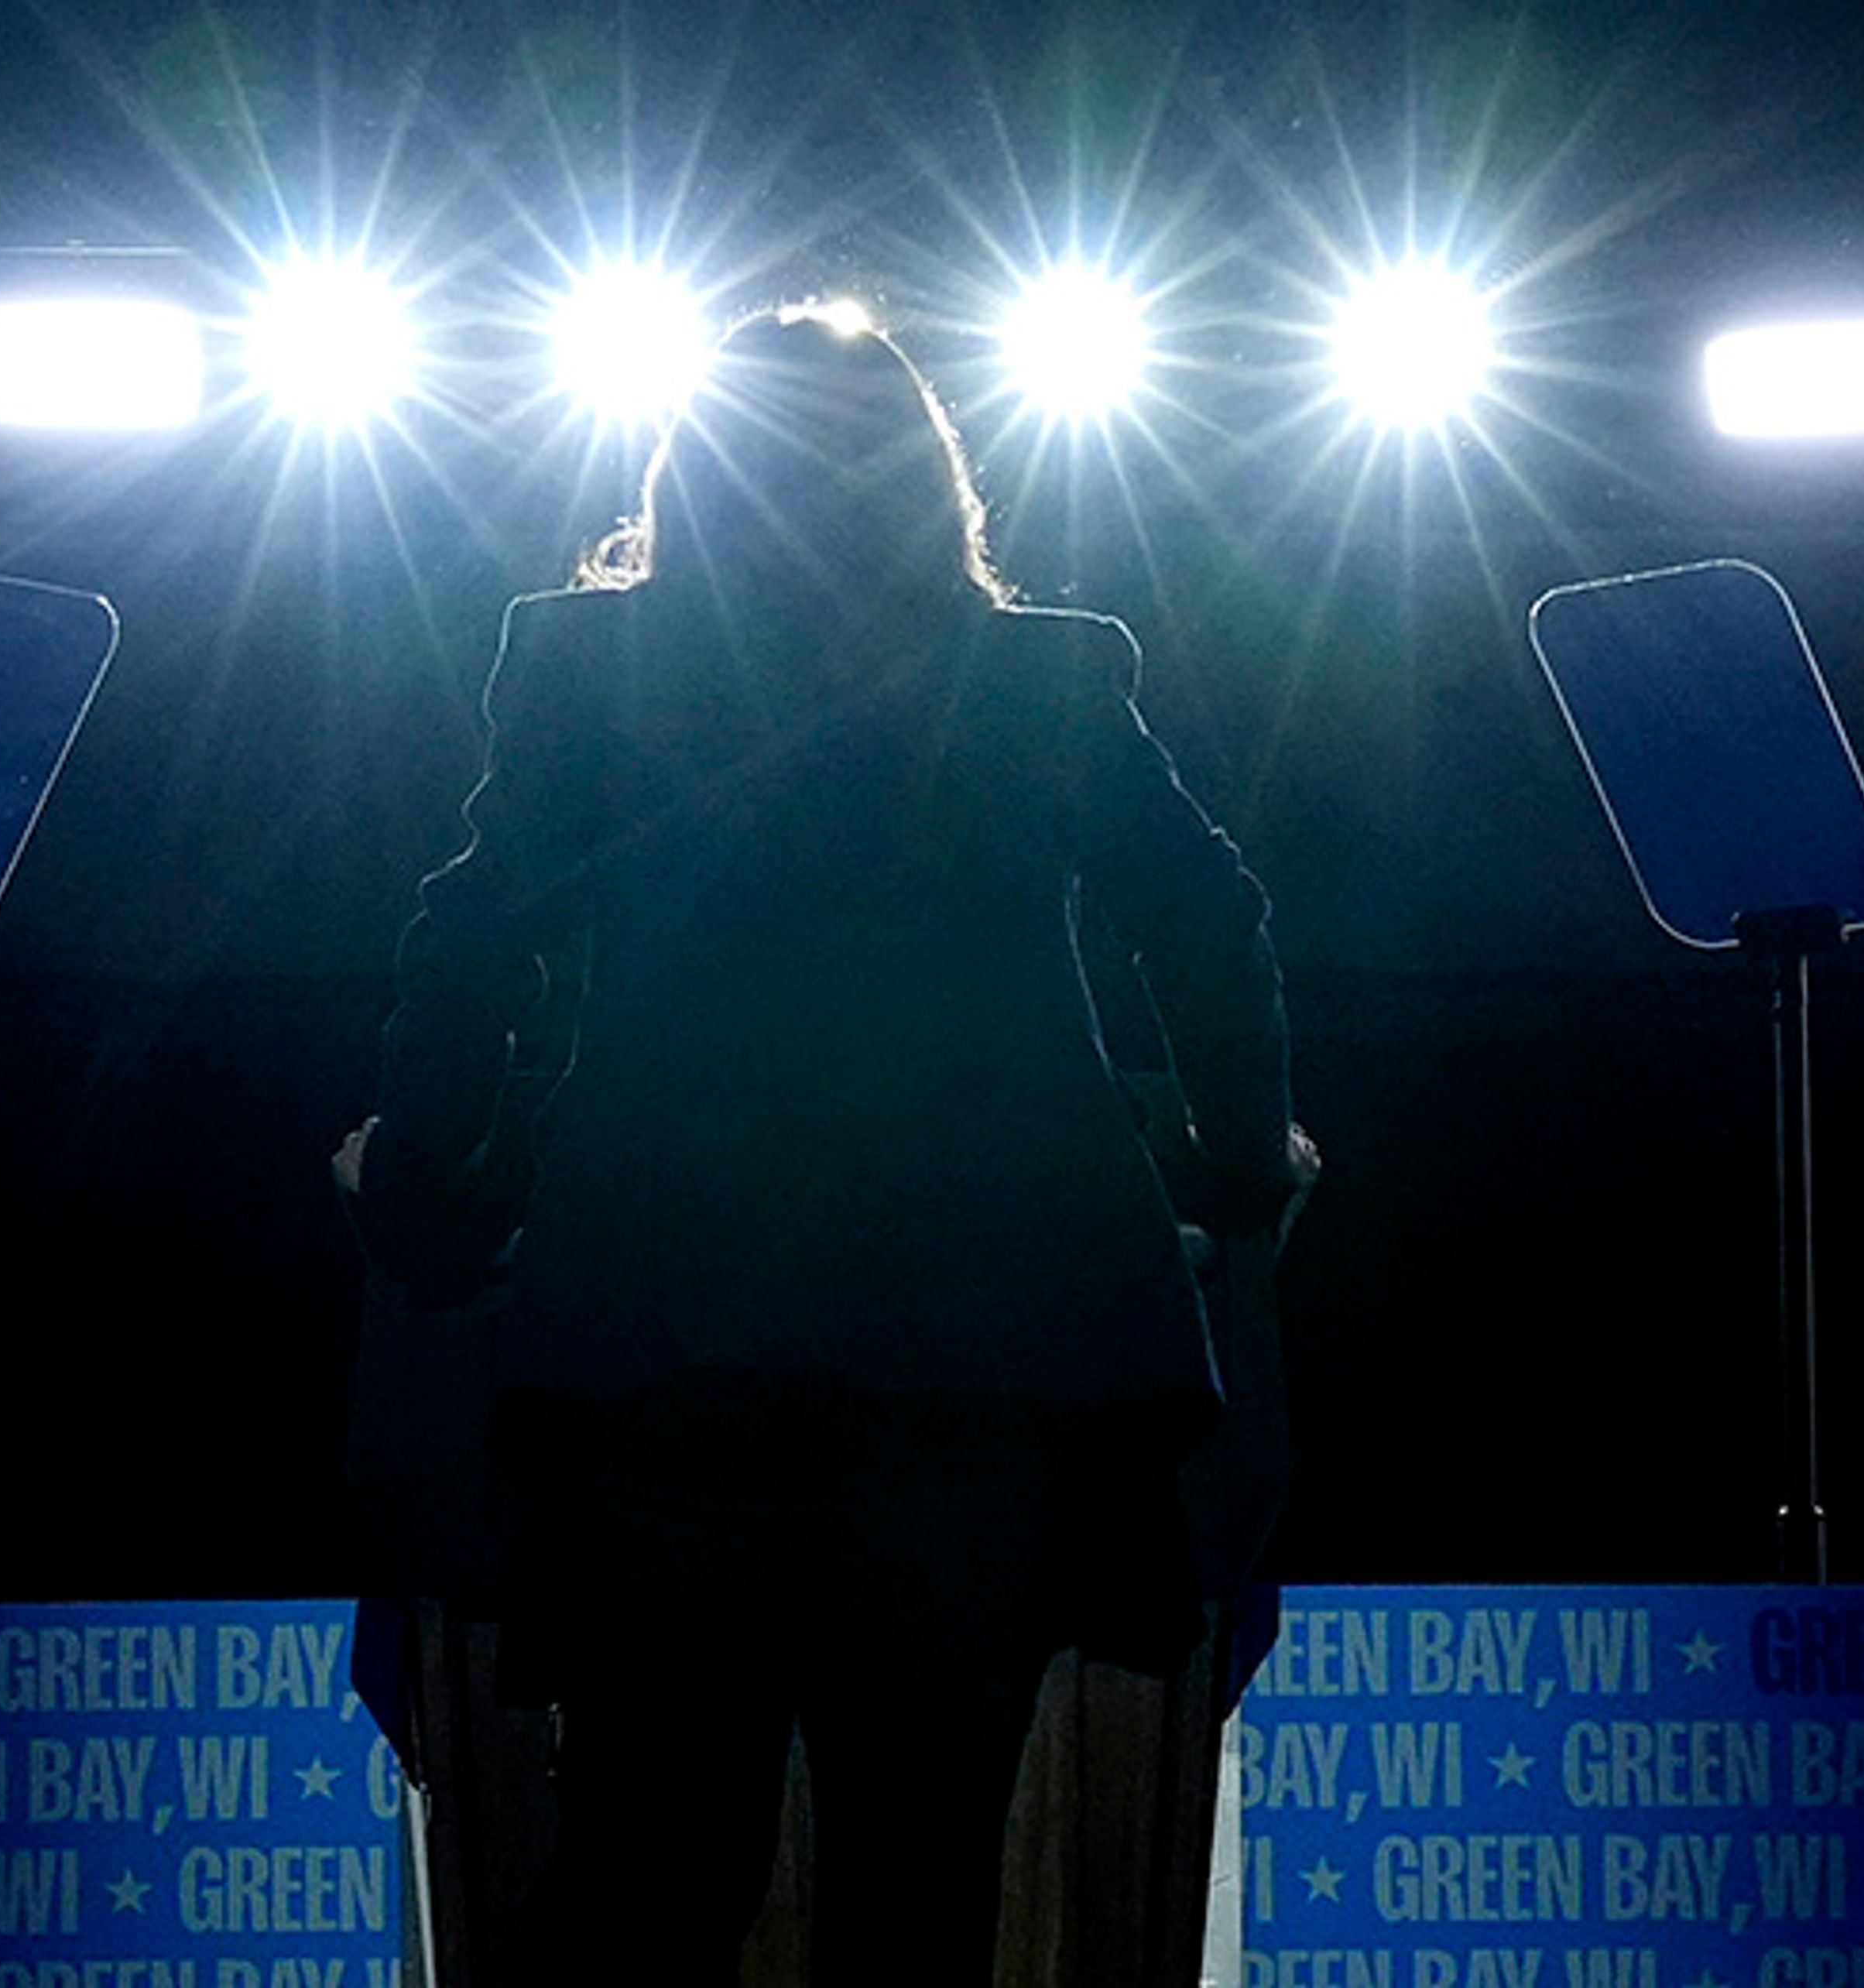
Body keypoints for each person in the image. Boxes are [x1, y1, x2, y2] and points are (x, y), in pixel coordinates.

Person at [348, 303, 1311, 1984]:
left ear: (692, 479)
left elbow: (468, 938)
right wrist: (1231, 1174)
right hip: (978, 1377)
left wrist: (429, 1195)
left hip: (664, 1354)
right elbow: (1211, 915)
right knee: (919, 1888)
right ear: (933, 484)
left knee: (653, 1862)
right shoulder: (1044, 675)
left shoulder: (584, 665)